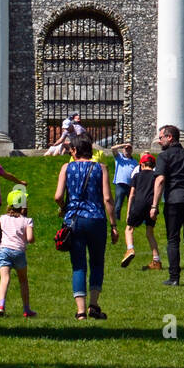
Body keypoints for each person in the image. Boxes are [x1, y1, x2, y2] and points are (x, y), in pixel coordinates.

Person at [55, 136, 118, 319]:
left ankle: (80, 311)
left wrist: (64, 208)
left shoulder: (66, 168)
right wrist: (114, 225)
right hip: (97, 219)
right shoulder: (101, 168)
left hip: (74, 220)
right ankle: (94, 305)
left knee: (78, 265)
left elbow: (58, 196)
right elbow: (107, 199)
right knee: (97, 262)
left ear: (74, 150)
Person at [150, 124, 184, 287]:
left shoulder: (164, 157)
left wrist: (154, 205)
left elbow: (160, 180)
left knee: (173, 239)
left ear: (170, 137)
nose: (159, 142)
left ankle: (174, 277)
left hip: (174, 200)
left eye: (161, 138)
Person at [0, 186, 35, 317]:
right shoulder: (27, 221)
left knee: (4, 278)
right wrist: (30, 239)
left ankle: (1, 306)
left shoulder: (3, 218)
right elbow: (30, 238)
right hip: (18, 252)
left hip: (4, 251)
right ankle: (26, 309)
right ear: (23, 205)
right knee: (23, 280)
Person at [120, 152, 163, 269]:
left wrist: (128, 211)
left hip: (138, 205)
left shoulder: (137, 176)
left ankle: (130, 250)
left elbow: (132, 195)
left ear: (142, 165)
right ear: (153, 165)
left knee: (129, 229)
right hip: (151, 206)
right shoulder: (156, 176)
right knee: (150, 233)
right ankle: (156, 261)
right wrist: (155, 206)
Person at [97, 140, 138, 218]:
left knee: (132, 204)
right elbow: (113, 148)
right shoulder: (119, 157)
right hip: (120, 184)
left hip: (131, 185)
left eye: (129, 149)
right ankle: (116, 219)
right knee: (118, 204)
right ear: (123, 149)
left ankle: (131, 218)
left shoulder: (134, 161)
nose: (127, 150)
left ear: (131, 150)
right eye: (126, 149)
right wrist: (124, 144)